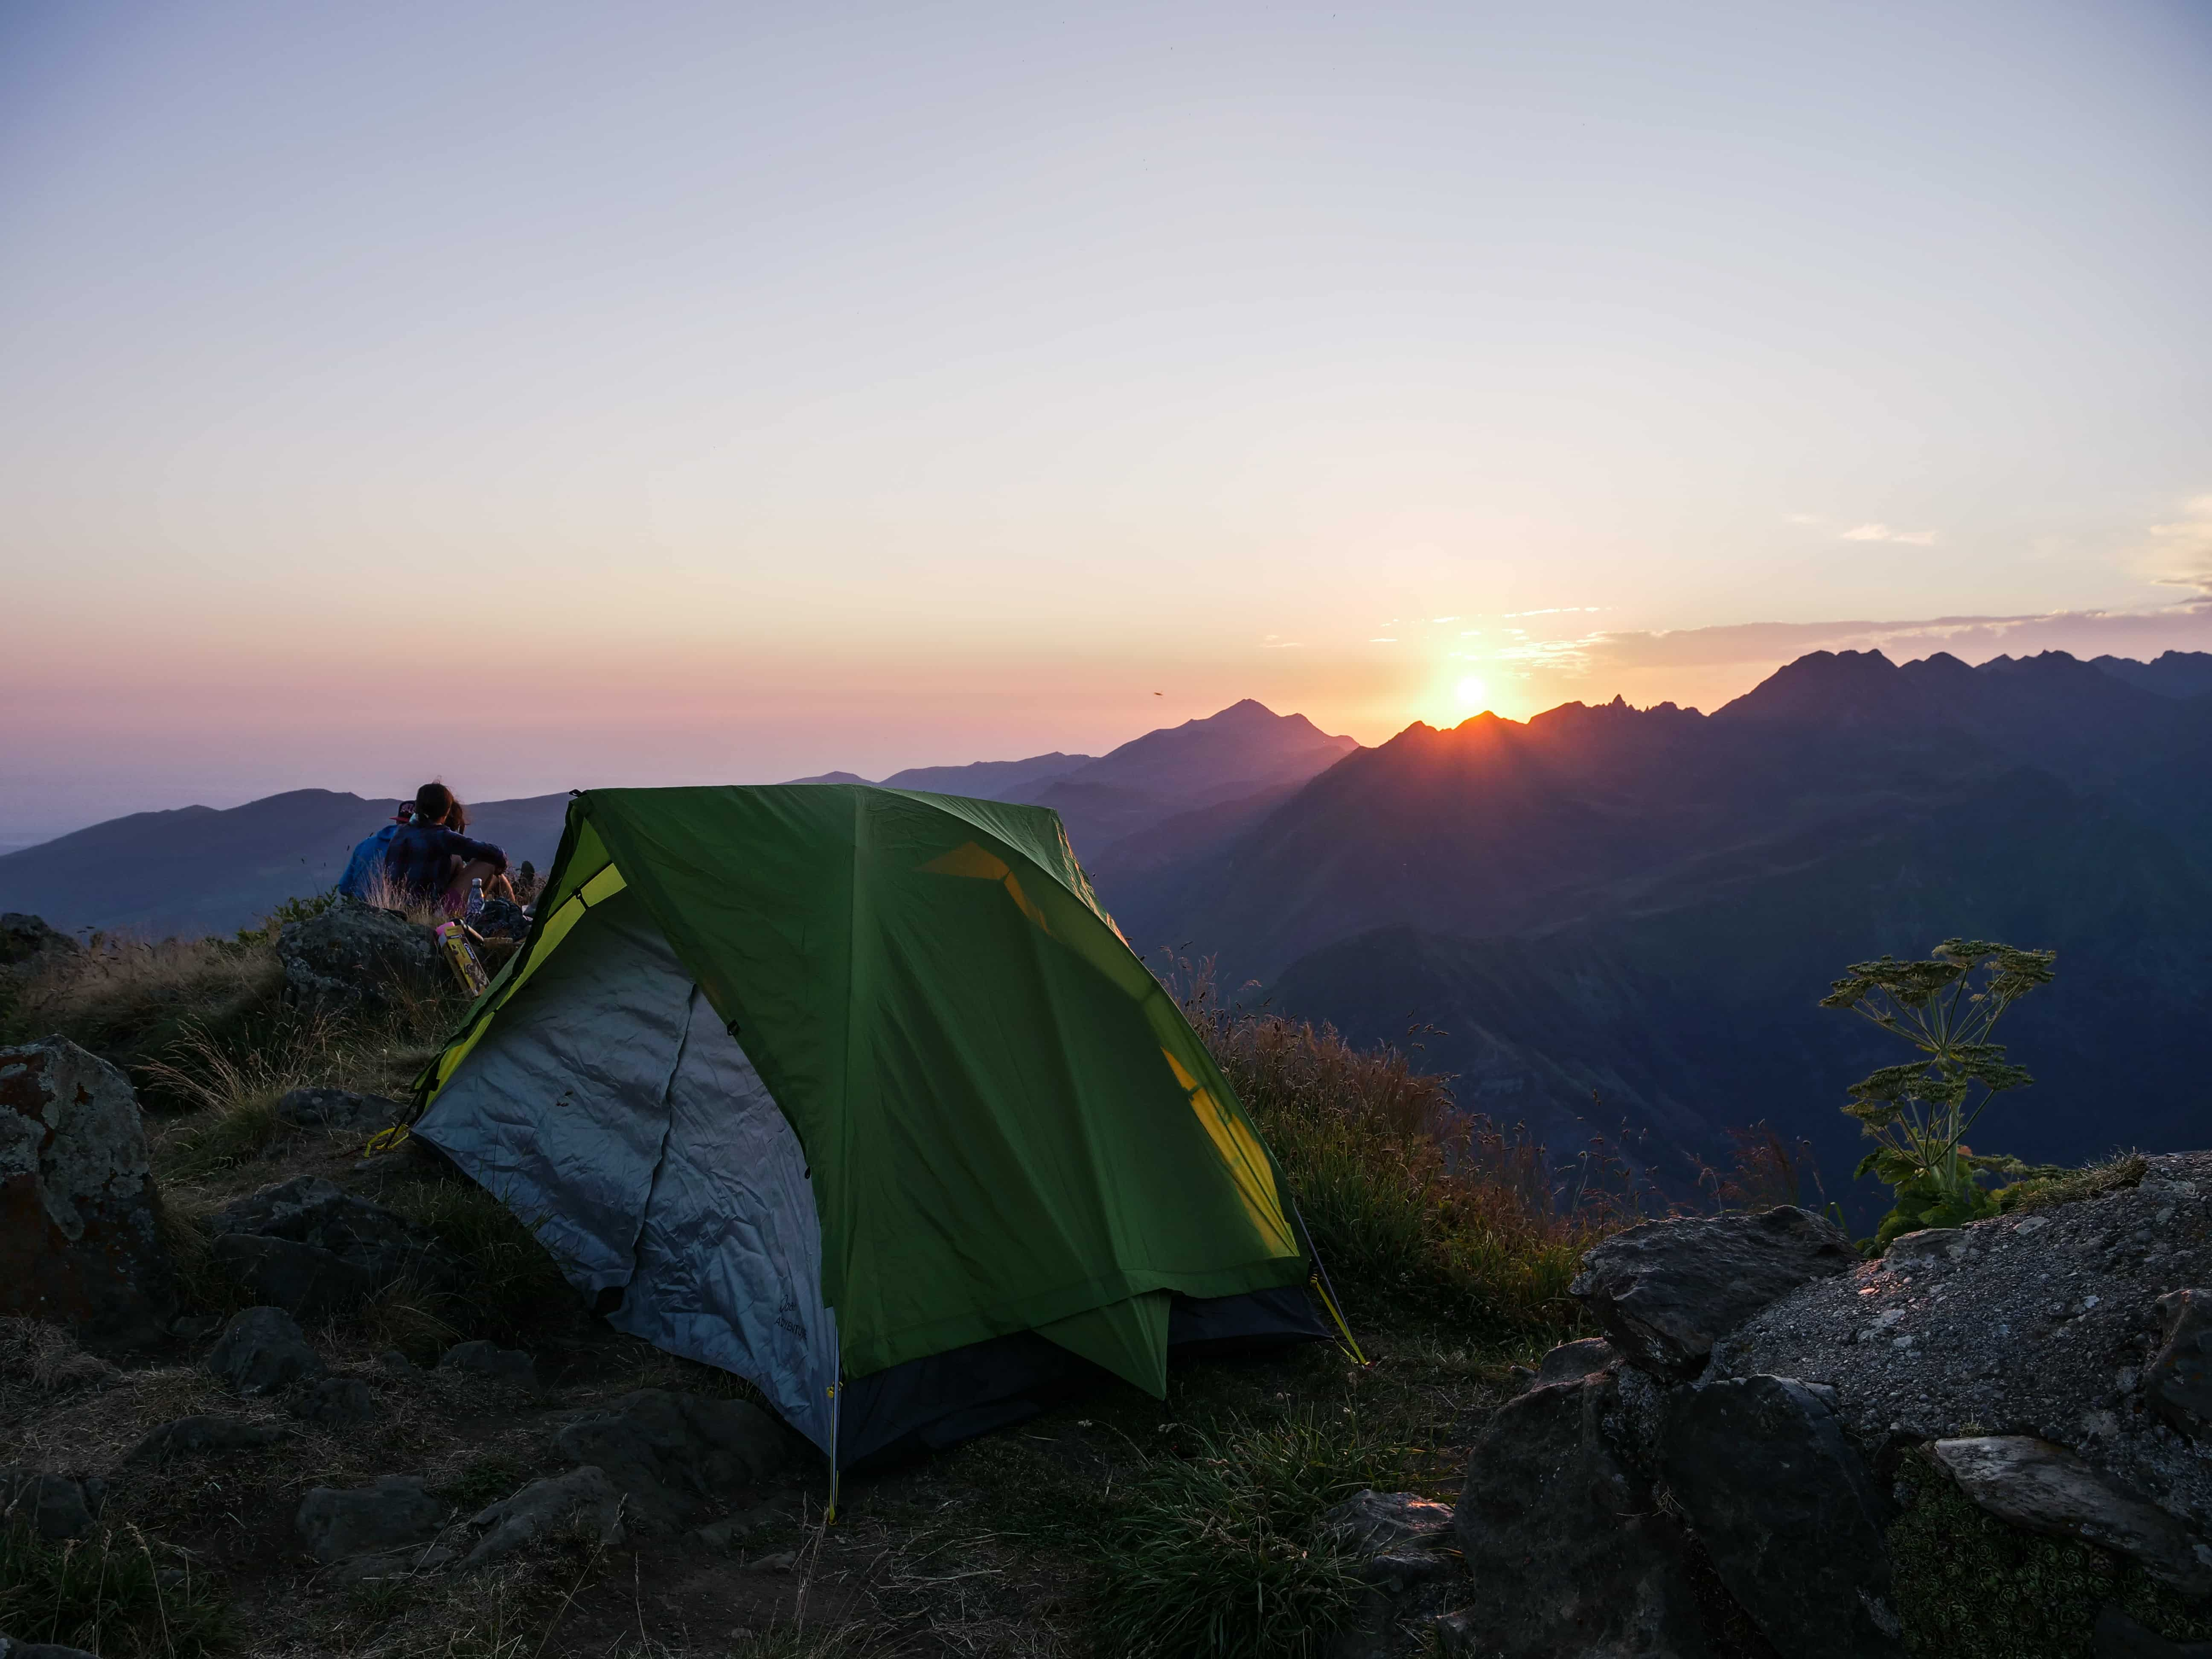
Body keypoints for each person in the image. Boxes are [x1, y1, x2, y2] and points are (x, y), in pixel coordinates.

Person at [382, 783, 514, 913]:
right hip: (434, 912)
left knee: (458, 859)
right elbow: (497, 854)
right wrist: (499, 866)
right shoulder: (441, 835)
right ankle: (515, 915)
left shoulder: (401, 832)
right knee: (487, 864)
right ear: (447, 811)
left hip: (397, 907)